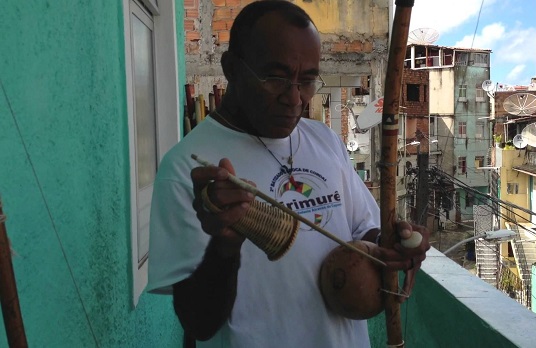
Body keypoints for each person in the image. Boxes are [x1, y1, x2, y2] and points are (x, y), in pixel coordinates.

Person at [146, 1, 430, 347]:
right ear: (232, 69)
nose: (294, 98)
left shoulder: (324, 139)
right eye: (275, 78)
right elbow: (199, 324)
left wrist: (396, 243)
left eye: (307, 81)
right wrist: (225, 245)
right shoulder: (186, 169)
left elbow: (363, 231)